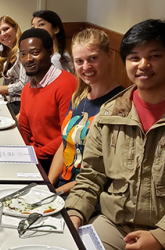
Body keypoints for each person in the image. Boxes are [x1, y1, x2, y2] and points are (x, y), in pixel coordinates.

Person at [66, 19, 165, 250]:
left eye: (155, 55)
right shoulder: (112, 113)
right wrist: (75, 214)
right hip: (115, 225)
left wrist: (159, 236)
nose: (143, 64)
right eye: (134, 57)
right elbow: (91, 175)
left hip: (161, 233)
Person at [48, 29, 124, 194]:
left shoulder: (120, 104)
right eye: (79, 61)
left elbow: (104, 171)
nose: (86, 67)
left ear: (109, 55)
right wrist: (48, 184)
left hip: (90, 194)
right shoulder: (78, 97)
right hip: (62, 187)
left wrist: (58, 192)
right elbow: (65, 145)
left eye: (93, 59)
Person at [18, 28, 77, 172]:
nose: (28, 59)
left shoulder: (66, 84)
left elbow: (67, 134)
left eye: (35, 53)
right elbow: (24, 129)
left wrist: (34, 155)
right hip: (35, 159)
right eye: (23, 54)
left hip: (58, 163)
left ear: (50, 51)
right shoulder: (27, 89)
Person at [0, 15, 29, 115]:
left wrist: (2, 89)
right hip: (11, 102)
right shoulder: (9, 55)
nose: (3, 34)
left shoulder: (24, 50)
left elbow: (25, 85)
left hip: (23, 105)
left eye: (6, 29)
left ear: (15, 28)